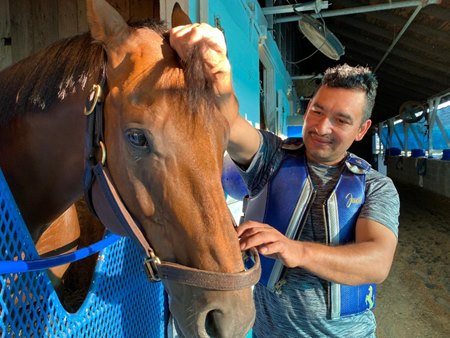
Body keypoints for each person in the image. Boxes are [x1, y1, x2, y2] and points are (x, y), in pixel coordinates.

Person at [170, 23, 399, 338]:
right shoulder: (272, 157)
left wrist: (297, 250)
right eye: (316, 111)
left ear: (361, 129)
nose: (321, 127)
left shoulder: (375, 186)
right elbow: (226, 119)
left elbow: (377, 261)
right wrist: (217, 67)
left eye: (341, 120)